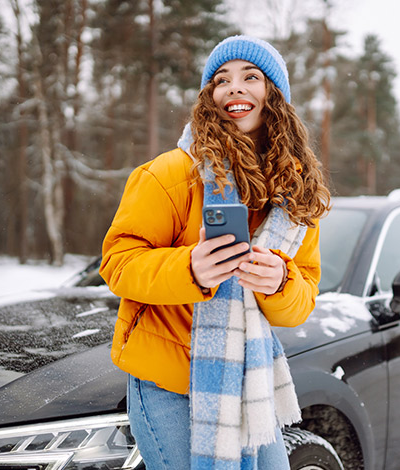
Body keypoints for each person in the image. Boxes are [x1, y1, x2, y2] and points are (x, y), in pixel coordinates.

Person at [100, 35, 330, 470]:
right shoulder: (170, 173)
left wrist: (280, 283)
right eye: (221, 80)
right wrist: (191, 268)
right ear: (210, 98)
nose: (235, 88)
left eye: (251, 77)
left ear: (274, 96)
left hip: (249, 383)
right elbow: (117, 263)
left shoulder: (295, 194)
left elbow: (301, 303)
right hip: (167, 380)